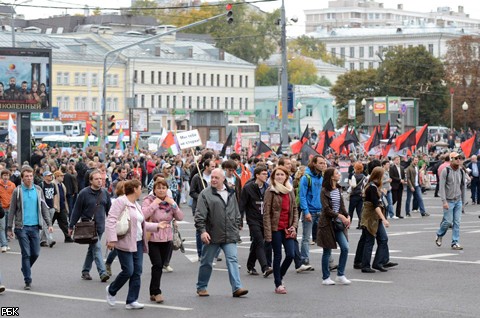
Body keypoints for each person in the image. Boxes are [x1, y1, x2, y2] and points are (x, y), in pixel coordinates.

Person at [105, 180, 160, 310]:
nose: (141, 190)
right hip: (124, 241)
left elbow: (141, 224)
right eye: (140, 188)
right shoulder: (120, 201)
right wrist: (111, 239)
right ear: (135, 189)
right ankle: (112, 290)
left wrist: (157, 226)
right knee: (128, 270)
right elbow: (111, 220)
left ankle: (132, 300)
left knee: (137, 271)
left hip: (138, 242)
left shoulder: (135, 204)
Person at [195, 168, 248, 298]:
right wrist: (203, 231)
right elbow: (200, 215)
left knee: (232, 259)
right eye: (212, 177)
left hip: (230, 234)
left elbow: (236, 210)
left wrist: (237, 223)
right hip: (212, 235)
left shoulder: (230, 192)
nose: (213, 180)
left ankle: (237, 288)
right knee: (206, 262)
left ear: (223, 179)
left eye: (216, 178)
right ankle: (201, 287)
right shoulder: (205, 194)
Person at [7, 166, 53, 290]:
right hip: (21, 227)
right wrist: (9, 228)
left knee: (36, 253)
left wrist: (49, 224)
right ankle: (28, 279)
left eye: (31, 176)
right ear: (22, 178)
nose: (29, 178)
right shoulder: (18, 191)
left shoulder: (38, 190)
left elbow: (44, 207)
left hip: (35, 227)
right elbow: (12, 210)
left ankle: (25, 267)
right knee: (26, 254)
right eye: (26, 176)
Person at [142, 179, 184, 303]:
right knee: (157, 264)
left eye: (163, 188)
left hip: (167, 237)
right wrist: (155, 203)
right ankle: (157, 291)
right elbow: (143, 215)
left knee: (159, 266)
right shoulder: (148, 200)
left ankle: (153, 291)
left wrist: (174, 205)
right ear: (154, 190)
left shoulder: (170, 201)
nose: (161, 190)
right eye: (158, 188)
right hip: (153, 236)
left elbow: (180, 217)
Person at [68, 169, 111, 282]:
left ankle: (85, 271)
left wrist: (112, 227)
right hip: (88, 227)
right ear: (90, 181)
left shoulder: (105, 193)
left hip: (100, 227)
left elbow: (110, 212)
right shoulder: (83, 193)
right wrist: (71, 226)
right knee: (96, 248)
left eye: (101, 179)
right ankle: (102, 272)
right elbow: (76, 210)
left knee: (92, 249)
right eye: (96, 179)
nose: (99, 181)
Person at [263, 166, 298, 294]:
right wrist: (268, 234)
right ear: (273, 177)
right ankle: (278, 284)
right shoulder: (270, 191)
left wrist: (294, 225)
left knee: (291, 255)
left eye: (282, 175)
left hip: (287, 228)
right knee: (277, 255)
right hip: (275, 228)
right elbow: (266, 213)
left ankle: (280, 276)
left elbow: (294, 209)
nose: (279, 177)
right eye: (277, 175)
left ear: (286, 177)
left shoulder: (290, 190)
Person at [317, 168, 351, 285]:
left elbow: (341, 205)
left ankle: (340, 275)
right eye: (337, 173)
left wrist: (347, 216)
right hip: (327, 224)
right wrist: (340, 216)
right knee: (327, 251)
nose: (339, 175)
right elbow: (326, 209)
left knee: (345, 248)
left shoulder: (338, 188)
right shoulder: (324, 191)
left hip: (338, 225)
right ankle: (326, 277)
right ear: (331, 176)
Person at [239, 165, 273, 277]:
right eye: (263, 173)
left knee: (256, 242)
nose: (266, 175)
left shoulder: (268, 187)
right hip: (253, 219)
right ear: (257, 175)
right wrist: (239, 220)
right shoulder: (248, 188)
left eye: (266, 173)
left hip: (264, 219)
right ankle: (265, 267)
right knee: (259, 241)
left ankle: (250, 265)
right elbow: (242, 205)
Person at [360, 167, 390, 273]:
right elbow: (376, 205)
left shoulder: (373, 186)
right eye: (383, 175)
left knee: (382, 239)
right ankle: (365, 265)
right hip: (370, 218)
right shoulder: (372, 187)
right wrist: (384, 219)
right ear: (379, 176)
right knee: (370, 241)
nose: (384, 177)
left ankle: (377, 263)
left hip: (374, 218)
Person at [299, 155, 326, 268]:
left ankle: (329, 262)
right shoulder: (306, 177)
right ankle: (304, 260)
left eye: (324, 163)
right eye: (320, 163)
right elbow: (302, 196)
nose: (323, 165)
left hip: (321, 211)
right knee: (306, 238)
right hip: (310, 212)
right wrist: (306, 211)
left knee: (326, 237)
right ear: (314, 163)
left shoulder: (322, 177)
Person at [436, 152, 465, 250]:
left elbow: (463, 187)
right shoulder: (446, 171)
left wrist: (463, 202)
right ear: (451, 159)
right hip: (448, 200)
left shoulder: (461, 171)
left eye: (460, 158)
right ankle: (439, 234)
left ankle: (455, 242)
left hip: (458, 200)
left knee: (457, 222)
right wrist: (444, 201)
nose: (458, 160)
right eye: (456, 158)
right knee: (448, 222)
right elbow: (442, 187)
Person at [52, 171, 73, 242]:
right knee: (49, 223)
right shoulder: (53, 184)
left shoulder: (62, 185)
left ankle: (67, 237)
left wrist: (65, 206)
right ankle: (44, 238)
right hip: (55, 207)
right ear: (57, 177)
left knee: (64, 223)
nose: (63, 177)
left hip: (62, 206)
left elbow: (64, 197)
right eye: (61, 176)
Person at [39, 171, 57, 248]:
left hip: (51, 207)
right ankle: (50, 239)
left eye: (51, 175)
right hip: (44, 207)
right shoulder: (41, 185)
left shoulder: (53, 185)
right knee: (46, 224)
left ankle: (41, 240)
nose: (50, 177)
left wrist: (55, 205)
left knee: (47, 225)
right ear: (44, 177)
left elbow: (55, 195)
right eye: (49, 175)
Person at [0, 169, 15, 253]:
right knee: (2, 226)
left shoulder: (12, 185)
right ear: (2, 176)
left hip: (10, 208)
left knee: (7, 226)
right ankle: (4, 245)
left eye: (7, 175)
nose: (6, 177)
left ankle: (4, 241)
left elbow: (15, 196)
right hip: (1, 209)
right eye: (4, 175)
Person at [348, 162, 366, 228]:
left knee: (351, 211)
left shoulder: (354, 176)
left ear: (355, 168)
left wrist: (350, 183)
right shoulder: (364, 176)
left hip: (354, 195)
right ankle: (361, 224)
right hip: (360, 195)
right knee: (359, 210)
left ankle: (348, 224)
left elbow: (353, 185)